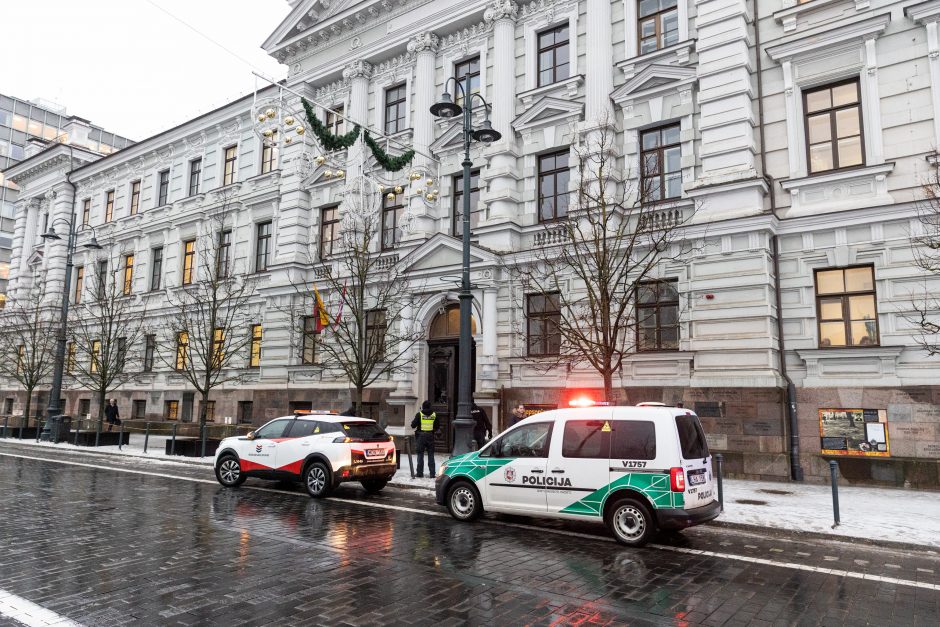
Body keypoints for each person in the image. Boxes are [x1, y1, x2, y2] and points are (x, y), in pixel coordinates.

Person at [410, 400, 438, 478]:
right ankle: (432, 473)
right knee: (431, 455)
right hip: (430, 436)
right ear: (430, 406)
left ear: (423, 406)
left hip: (421, 436)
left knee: (420, 455)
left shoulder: (419, 414)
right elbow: (437, 426)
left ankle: (419, 473)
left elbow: (413, 425)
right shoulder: (434, 415)